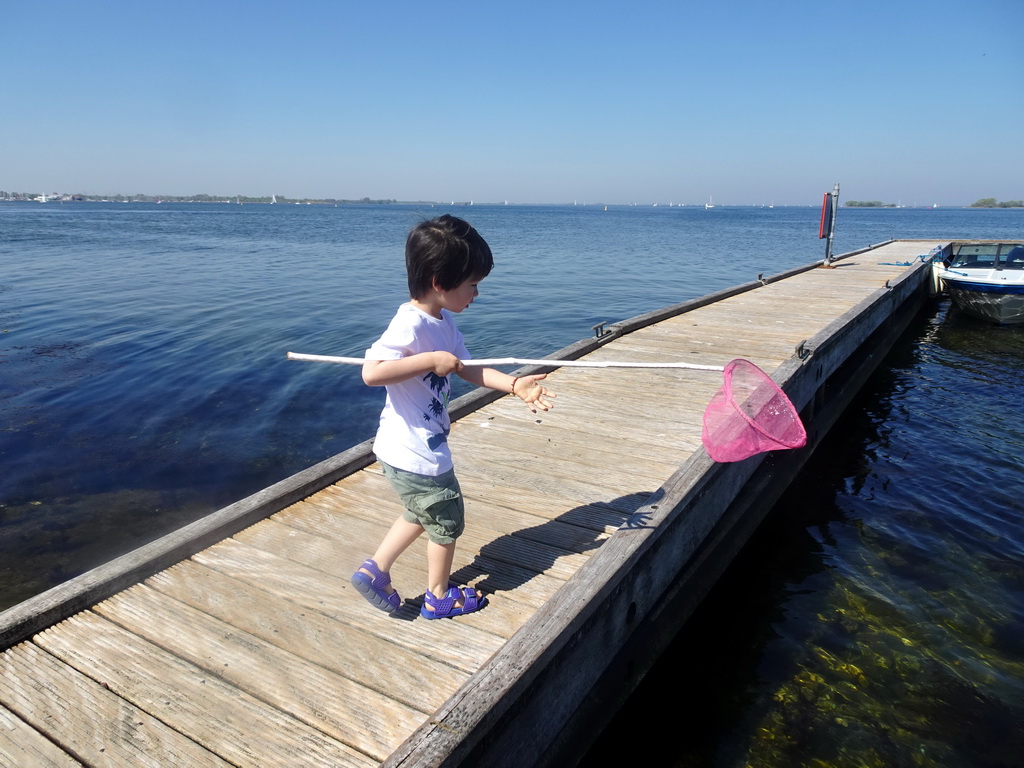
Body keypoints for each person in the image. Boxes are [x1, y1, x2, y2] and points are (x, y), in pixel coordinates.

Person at [351, 215, 555, 619]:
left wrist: (515, 386)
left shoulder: (443, 325)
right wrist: (426, 359)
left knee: (422, 510)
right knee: (446, 521)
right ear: (440, 282)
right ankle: (437, 595)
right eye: (472, 284)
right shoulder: (409, 324)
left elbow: (469, 369)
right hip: (416, 455)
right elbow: (371, 372)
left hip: (411, 449)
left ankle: (375, 571)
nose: (477, 294)